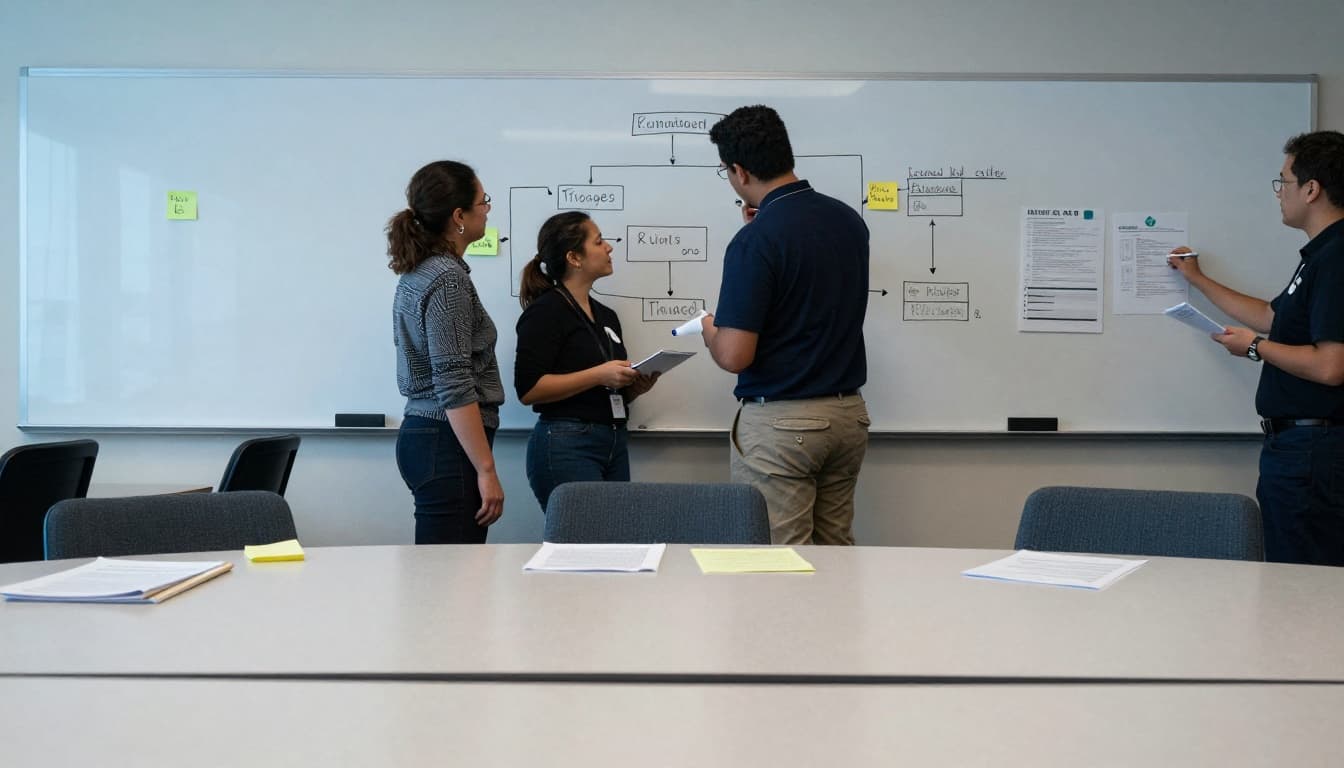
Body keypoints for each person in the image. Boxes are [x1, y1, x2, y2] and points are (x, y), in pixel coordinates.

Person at [697, 105, 871, 545]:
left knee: (780, 561)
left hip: (783, 423)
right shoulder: (849, 221)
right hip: (847, 416)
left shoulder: (756, 240)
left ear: (738, 170)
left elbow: (736, 354)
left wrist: (709, 330)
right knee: (835, 554)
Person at [1168, 130, 1344, 566]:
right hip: (1301, 448)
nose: (1278, 193)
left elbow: (1331, 366)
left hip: (1315, 451)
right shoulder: (1320, 254)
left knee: (1305, 582)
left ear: (1311, 188)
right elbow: (1272, 317)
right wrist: (1199, 280)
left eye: (1283, 181)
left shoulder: (1338, 256)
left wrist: (1254, 349)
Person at [387, 160, 505, 544]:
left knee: (446, 582)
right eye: (482, 202)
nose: (487, 209)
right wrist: (485, 469)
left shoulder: (422, 271)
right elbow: (453, 382)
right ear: (459, 215)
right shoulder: (446, 278)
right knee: (450, 584)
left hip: (431, 437)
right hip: (446, 442)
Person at [513, 212, 658, 510]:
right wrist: (599, 375)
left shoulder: (606, 316)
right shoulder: (546, 311)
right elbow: (529, 389)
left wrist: (633, 387)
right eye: (599, 241)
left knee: (616, 545)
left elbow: (604, 385)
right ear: (574, 258)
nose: (609, 248)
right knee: (582, 545)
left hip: (614, 440)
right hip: (567, 442)